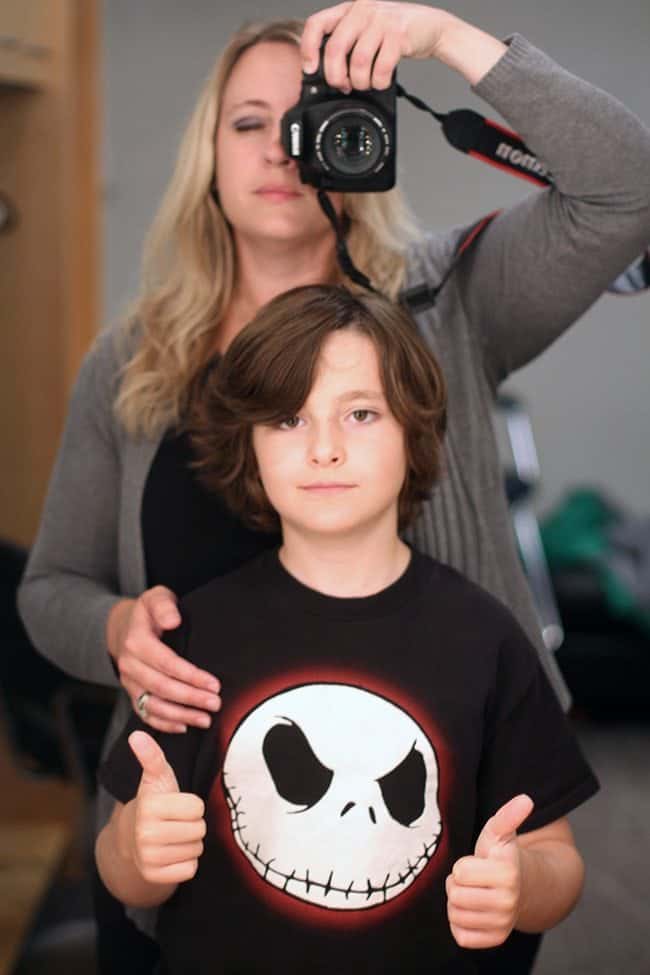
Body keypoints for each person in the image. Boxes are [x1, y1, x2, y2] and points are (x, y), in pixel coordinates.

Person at [17, 2, 650, 972]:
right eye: (245, 123)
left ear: (365, 141)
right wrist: (113, 632)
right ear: (208, 154)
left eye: (312, 117)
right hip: (174, 848)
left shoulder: (447, 302)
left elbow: (624, 186)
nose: (278, 150)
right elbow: (50, 590)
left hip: (432, 852)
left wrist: (438, 37)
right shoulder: (132, 363)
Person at [95, 284, 599, 975]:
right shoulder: (197, 632)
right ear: (249, 446)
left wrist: (521, 885)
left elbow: (556, 857)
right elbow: (122, 865)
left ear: (414, 430)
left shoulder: (486, 638)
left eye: (360, 413)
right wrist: (136, 850)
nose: (325, 448)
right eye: (288, 420)